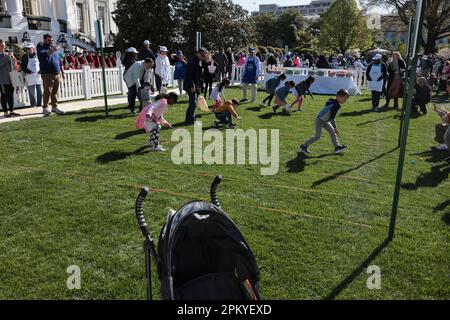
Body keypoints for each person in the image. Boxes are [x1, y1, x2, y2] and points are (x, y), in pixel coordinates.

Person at [299, 89, 350, 155]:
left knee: (333, 133)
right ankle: (303, 146)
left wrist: (334, 128)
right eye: (345, 99)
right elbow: (332, 118)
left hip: (325, 120)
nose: (345, 101)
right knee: (317, 136)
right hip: (320, 120)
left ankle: (337, 147)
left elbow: (331, 117)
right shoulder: (335, 105)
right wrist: (335, 127)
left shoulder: (334, 103)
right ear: (339, 97)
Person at [37, 34, 65, 116]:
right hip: (47, 73)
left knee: (55, 92)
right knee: (47, 91)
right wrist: (51, 50)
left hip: (56, 72)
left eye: (52, 40)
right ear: (44, 40)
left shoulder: (54, 49)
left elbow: (59, 60)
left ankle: (54, 107)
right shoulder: (41, 47)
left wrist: (62, 72)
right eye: (49, 40)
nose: (51, 42)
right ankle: (45, 108)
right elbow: (42, 56)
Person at [184, 47, 208, 125]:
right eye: (203, 55)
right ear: (198, 54)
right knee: (193, 103)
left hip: (196, 84)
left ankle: (189, 119)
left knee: (193, 103)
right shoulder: (192, 61)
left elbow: (200, 74)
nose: (204, 57)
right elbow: (189, 75)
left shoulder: (199, 61)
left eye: (205, 55)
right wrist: (192, 85)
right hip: (191, 85)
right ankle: (191, 120)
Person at [21, 43, 43, 109]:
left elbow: (42, 63)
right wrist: (28, 71)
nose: (29, 50)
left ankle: (39, 104)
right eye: (28, 48)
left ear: (33, 49)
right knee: (31, 91)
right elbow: (23, 66)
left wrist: (41, 70)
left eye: (30, 48)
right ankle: (33, 104)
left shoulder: (38, 55)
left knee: (40, 91)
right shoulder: (24, 56)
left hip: (38, 75)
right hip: (30, 76)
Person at [0, 39, 18, 117]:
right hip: (2, 79)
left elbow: (13, 65)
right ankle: (5, 112)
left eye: (4, 45)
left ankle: (11, 110)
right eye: (1, 45)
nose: (3, 47)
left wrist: (13, 58)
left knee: (11, 95)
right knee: (4, 95)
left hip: (11, 78)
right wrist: (8, 57)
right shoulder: (5, 55)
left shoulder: (6, 54)